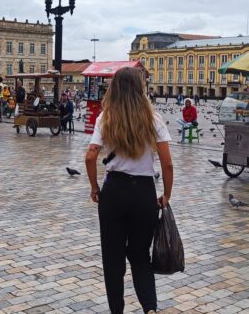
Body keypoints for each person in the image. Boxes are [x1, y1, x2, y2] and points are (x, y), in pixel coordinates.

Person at [84, 67, 173, 314]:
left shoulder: (106, 117)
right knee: (140, 255)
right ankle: (150, 308)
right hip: (143, 193)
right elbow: (167, 162)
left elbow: (91, 156)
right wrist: (166, 194)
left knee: (113, 260)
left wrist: (94, 187)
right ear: (139, 88)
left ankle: (117, 311)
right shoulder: (152, 118)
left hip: (114, 192)